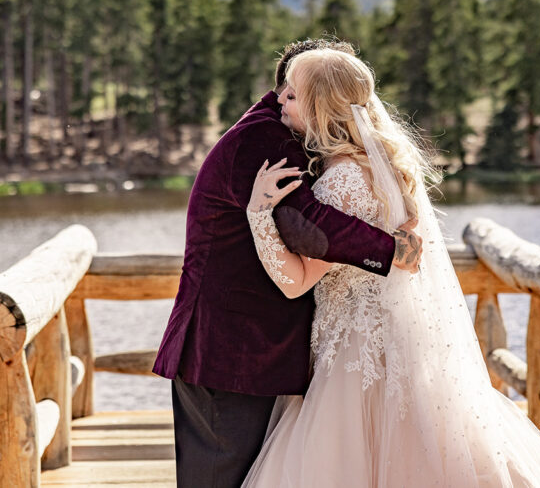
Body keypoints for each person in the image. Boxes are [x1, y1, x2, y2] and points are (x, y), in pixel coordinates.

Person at [241, 48, 540, 487]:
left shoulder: (340, 183)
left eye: (292, 95)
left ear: (319, 107)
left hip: (352, 357)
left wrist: (258, 213)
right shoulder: (383, 169)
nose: (280, 101)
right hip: (400, 344)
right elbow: (406, 254)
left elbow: (295, 283)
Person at [151, 39, 423, 488]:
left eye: (294, 92)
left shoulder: (295, 139)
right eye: (287, 89)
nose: (281, 98)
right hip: (226, 351)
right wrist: (393, 250)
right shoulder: (264, 137)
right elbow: (306, 224)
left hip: (258, 351)